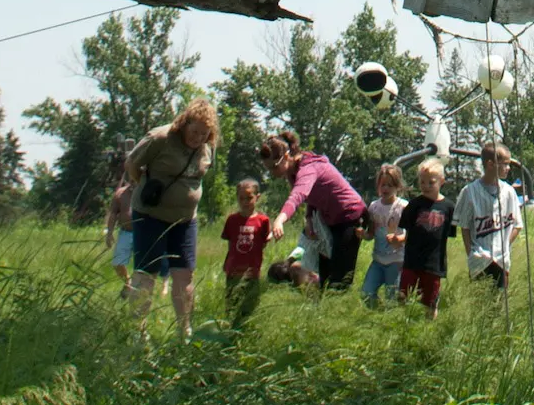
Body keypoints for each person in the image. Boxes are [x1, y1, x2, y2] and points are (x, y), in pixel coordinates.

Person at [123, 98, 217, 335]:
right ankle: (137, 332)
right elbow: (132, 163)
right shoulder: (161, 138)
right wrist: (142, 185)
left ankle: (184, 331)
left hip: (185, 220)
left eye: (203, 134)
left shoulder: (207, 148)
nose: (197, 138)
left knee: (184, 275)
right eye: (194, 131)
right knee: (146, 273)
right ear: (184, 123)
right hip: (150, 216)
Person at [261, 130, 366, 291]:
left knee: (339, 280)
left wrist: (280, 220)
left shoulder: (308, 168)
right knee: (323, 278)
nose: (272, 173)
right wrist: (309, 218)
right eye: (268, 169)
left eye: (274, 167)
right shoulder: (292, 172)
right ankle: (322, 310)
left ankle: (343, 309)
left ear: (286, 156)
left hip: (349, 216)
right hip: (329, 219)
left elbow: (299, 195)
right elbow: (313, 196)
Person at [454, 141, 524, 291]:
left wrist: (504, 244)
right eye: (504, 164)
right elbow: (464, 227)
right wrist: (471, 253)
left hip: (501, 259)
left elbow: (517, 225)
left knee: (500, 302)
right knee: (479, 303)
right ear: (490, 164)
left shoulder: (509, 192)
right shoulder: (469, 191)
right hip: (479, 260)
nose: (508, 168)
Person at [395, 157, 454, 313]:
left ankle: (428, 326)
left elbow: (449, 235)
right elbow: (405, 231)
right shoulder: (414, 205)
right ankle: (401, 321)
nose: (426, 186)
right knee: (403, 295)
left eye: (431, 182)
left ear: (441, 181)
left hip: (434, 263)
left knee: (429, 301)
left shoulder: (448, 207)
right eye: (422, 182)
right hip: (412, 260)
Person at [219, 177, 269, 324]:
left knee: (249, 307)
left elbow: (263, 244)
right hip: (233, 271)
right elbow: (230, 244)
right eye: (241, 198)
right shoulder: (232, 220)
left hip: (252, 273)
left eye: (249, 198)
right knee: (231, 306)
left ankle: (246, 331)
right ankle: (231, 333)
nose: (245, 202)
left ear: (257, 197)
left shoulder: (263, 221)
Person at [360, 164, 407, 306]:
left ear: (398, 186)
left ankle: (389, 319)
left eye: (390, 185)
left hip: (396, 261)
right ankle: (377, 312)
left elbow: (409, 236)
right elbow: (371, 234)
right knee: (366, 293)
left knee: (392, 299)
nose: (386, 189)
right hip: (378, 261)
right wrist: (363, 235)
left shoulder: (403, 207)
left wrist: (398, 239)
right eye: (383, 185)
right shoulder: (374, 206)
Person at [98, 153, 133, 288]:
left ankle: (140, 289)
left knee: (144, 264)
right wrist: (109, 233)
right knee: (117, 262)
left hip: (143, 233)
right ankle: (128, 282)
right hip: (125, 232)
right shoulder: (120, 193)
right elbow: (113, 214)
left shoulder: (146, 192)